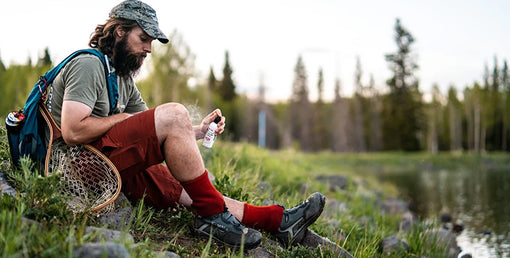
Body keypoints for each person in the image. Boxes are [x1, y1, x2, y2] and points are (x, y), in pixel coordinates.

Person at [46, 0, 325, 250]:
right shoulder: (88, 65)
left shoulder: (121, 79)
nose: (148, 49)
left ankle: (278, 221)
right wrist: (122, 118)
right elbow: (73, 132)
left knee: (192, 193)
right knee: (176, 114)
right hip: (75, 166)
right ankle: (213, 220)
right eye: (143, 38)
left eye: (151, 42)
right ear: (119, 31)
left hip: (105, 162)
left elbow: (159, 128)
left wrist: (199, 131)